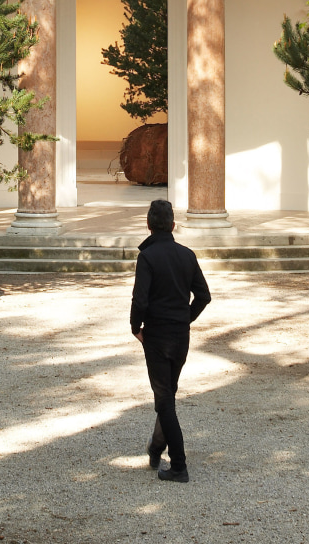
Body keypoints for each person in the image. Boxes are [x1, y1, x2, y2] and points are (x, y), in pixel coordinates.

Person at [130, 199, 211, 483]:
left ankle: (179, 465)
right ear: (173, 225)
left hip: (157, 335)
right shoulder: (187, 255)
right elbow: (204, 296)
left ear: (149, 225)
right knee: (167, 395)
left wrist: (134, 326)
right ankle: (155, 448)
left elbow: (140, 298)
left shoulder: (148, 257)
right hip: (180, 335)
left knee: (164, 399)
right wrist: (185, 318)